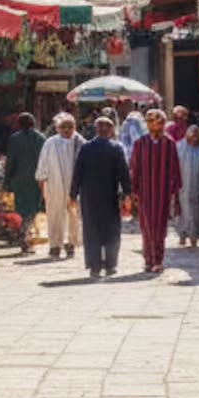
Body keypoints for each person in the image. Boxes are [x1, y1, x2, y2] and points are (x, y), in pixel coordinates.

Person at [71, 114, 131, 279]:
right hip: (109, 196)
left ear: (96, 130)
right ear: (111, 130)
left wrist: (73, 194)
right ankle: (111, 265)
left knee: (92, 231)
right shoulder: (116, 148)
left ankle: (94, 266)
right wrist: (127, 193)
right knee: (111, 231)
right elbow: (124, 173)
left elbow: (77, 173)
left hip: (89, 197)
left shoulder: (86, 148)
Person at [130, 106, 182, 273]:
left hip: (162, 192)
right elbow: (134, 167)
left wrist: (175, 191)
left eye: (158, 122)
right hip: (145, 191)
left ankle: (158, 259)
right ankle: (148, 259)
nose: (154, 125)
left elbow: (175, 168)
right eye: (150, 121)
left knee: (159, 226)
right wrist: (133, 190)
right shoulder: (140, 144)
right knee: (146, 226)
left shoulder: (169, 144)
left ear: (163, 124)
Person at [36, 111, 83, 260]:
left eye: (70, 127)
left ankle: (71, 243)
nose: (67, 130)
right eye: (64, 127)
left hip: (75, 185)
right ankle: (55, 245)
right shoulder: (50, 143)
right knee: (54, 214)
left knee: (73, 215)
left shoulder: (80, 142)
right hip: (54, 184)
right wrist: (42, 180)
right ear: (58, 128)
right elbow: (42, 164)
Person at [3, 112, 44, 254]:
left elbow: (10, 162)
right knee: (33, 209)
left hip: (19, 181)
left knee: (21, 209)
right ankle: (27, 236)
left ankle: (24, 236)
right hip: (36, 180)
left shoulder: (15, 139)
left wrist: (6, 181)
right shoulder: (41, 138)